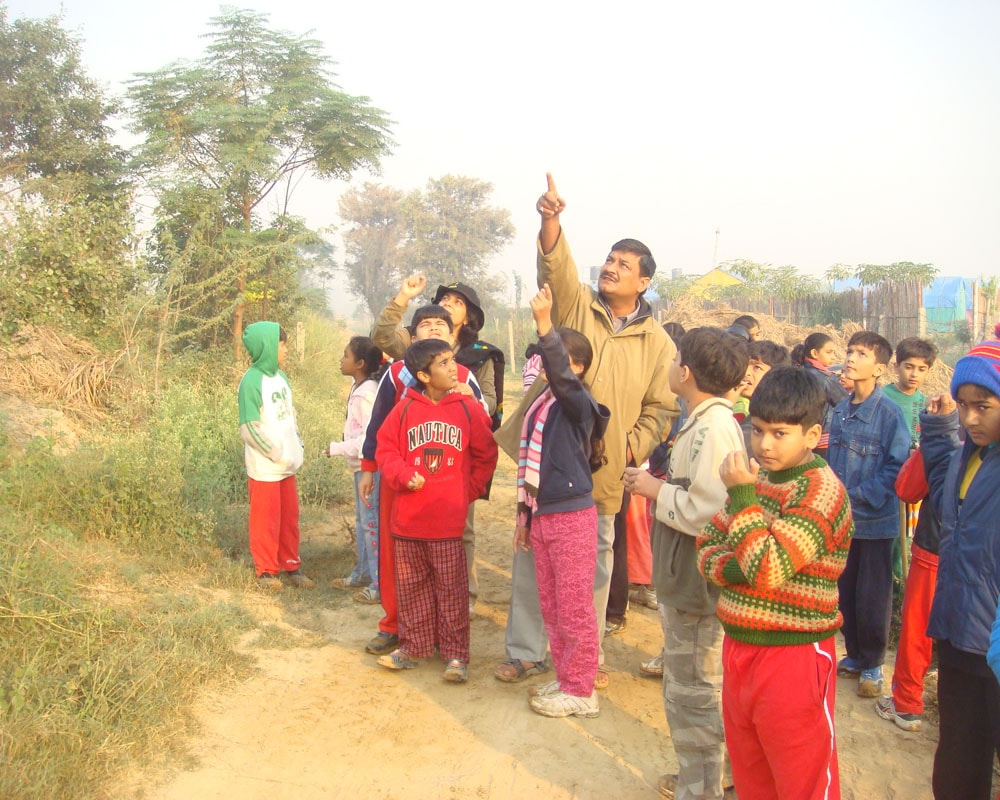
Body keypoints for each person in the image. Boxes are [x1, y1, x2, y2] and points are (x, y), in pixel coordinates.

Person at [493, 173, 677, 688]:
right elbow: (556, 269)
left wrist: (627, 448)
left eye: (624, 265)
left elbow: (661, 408)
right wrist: (550, 221)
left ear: (644, 282)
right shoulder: (577, 305)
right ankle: (526, 652)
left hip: (604, 471)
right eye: (610, 260)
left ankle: (583, 657)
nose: (611, 268)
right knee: (534, 555)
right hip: (549, 463)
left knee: (594, 566)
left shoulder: (658, 342)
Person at [697, 366, 854, 800]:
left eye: (780, 433)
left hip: (795, 656)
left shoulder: (821, 492)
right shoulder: (759, 480)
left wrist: (742, 500)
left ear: (812, 434)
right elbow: (706, 547)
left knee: (801, 778)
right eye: (758, 430)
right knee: (752, 772)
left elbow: (767, 568)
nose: (764, 444)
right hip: (740, 647)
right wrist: (746, 565)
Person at [625, 326, 748, 800]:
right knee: (697, 687)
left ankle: (701, 787)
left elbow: (710, 509)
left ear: (687, 372)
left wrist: (656, 490)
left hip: (698, 584)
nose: (671, 364)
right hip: (688, 578)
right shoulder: (701, 420)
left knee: (694, 692)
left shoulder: (713, 428)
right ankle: (712, 775)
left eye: (676, 357)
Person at [358, 305, 486, 657]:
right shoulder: (397, 374)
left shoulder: (463, 376)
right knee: (399, 557)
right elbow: (379, 424)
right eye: (425, 324)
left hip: (450, 487)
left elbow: (483, 433)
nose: (433, 329)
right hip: (402, 483)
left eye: (440, 324)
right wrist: (369, 467)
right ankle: (394, 625)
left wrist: (472, 487)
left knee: (447, 564)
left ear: (452, 334)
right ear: (412, 337)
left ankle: (443, 634)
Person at [371, 274, 504, 607]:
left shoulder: (475, 361)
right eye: (444, 299)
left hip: (456, 468)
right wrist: (403, 296)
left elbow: (488, 413)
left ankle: (461, 599)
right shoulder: (410, 358)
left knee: (460, 532)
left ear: (464, 322)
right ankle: (412, 606)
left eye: (457, 303)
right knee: (408, 535)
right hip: (411, 470)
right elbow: (382, 336)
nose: (447, 306)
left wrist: (466, 398)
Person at [373, 338, 498, 682]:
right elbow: (386, 451)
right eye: (443, 363)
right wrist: (402, 475)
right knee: (411, 588)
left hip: (447, 522)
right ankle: (413, 647)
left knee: (452, 590)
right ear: (424, 376)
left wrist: (465, 493)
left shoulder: (468, 409)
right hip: (408, 522)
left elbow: (486, 455)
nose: (453, 368)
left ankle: (456, 655)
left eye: (451, 360)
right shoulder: (404, 410)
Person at [515, 284, 610, 718]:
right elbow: (528, 468)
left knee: (574, 608)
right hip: (544, 514)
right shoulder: (543, 406)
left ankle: (582, 689)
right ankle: (568, 675)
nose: (545, 367)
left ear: (578, 368)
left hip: (571, 516)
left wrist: (545, 326)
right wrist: (524, 517)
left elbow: (563, 379)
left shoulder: (578, 403)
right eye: (542, 358)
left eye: (554, 359)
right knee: (552, 605)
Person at [921, 337, 1000, 799]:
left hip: (993, 639)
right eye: (965, 405)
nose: (970, 418)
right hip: (956, 631)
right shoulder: (969, 456)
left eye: (984, 406)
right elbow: (944, 501)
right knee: (958, 756)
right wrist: (938, 433)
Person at [826, 332, 910, 698]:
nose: (851, 358)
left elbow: (897, 468)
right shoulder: (840, 411)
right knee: (845, 592)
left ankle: (873, 663)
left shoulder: (889, 414)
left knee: (872, 596)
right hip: (843, 523)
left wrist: (857, 497)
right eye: (850, 351)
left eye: (862, 353)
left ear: (879, 368)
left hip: (875, 523)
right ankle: (856, 654)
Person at [237, 321, 314, 591]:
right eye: (282, 345)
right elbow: (248, 428)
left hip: (287, 465)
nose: (286, 350)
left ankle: (291, 565)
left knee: (289, 519)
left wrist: (296, 446)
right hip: (266, 467)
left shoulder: (281, 378)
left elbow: (291, 417)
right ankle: (266, 571)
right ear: (268, 347)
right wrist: (275, 453)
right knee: (266, 520)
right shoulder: (251, 381)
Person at [326, 336, 385, 604]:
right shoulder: (358, 388)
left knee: (371, 523)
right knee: (363, 520)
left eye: (346, 355)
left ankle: (379, 584)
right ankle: (363, 573)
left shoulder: (367, 394)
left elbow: (368, 438)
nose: (341, 360)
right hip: (360, 466)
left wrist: (336, 448)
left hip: (368, 467)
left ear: (360, 363)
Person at [791, 332, 847, 459]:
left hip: (801, 435)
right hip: (823, 437)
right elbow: (845, 404)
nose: (833, 357)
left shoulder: (797, 372)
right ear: (815, 353)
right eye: (829, 352)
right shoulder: (826, 378)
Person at [735, 340, 790, 452]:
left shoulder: (769, 419)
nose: (746, 372)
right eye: (745, 364)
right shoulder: (735, 402)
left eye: (757, 367)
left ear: (775, 375)